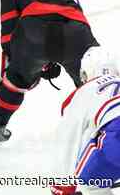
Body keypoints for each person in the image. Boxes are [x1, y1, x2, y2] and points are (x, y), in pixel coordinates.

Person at [0, 0, 100, 146]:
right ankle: (108, 126)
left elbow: (9, 40)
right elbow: (65, 23)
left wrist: (26, 69)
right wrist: (52, 58)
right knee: (96, 80)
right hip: (76, 31)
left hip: (35, 31)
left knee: (15, 81)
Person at [50, 46, 120, 195]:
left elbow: (68, 138)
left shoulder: (85, 91)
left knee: (93, 184)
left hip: (117, 134)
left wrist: (62, 184)